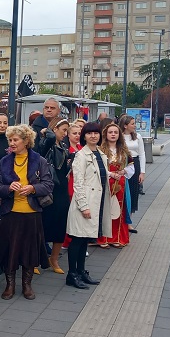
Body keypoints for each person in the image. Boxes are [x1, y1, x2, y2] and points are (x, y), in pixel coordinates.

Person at [0, 124, 53, 300]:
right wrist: (8, 188)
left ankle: (27, 285)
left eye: (15, 140)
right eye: (10, 140)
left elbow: (49, 185)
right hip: (10, 213)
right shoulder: (4, 162)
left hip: (31, 213)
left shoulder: (39, 160)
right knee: (9, 250)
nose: (11, 143)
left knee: (30, 250)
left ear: (26, 141)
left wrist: (33, 188)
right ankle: (9, 285)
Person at [65, 122, 111, 290]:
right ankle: (72, 274)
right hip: (84, 203)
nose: (93, 136)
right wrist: (83, 206)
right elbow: (78, 183)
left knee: (85, 239)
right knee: (77, 239)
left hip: (96, 202)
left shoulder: (99, 153)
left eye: (96, 133)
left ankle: (81, 271)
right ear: (84, 136)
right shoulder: (80, 155)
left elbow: (100, 175)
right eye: (89, 133)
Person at [39, 118, 71, 273]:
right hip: (50, 187)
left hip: (62, 188)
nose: (65, 134)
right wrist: (48, 131)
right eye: (63, 130)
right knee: (43, 224)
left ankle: (54, 258)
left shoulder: (64, 146)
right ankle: (37, 259)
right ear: (54, 129)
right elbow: (49, 140)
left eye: (67, 130)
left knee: (60, 224)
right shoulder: (47, 143)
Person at [96, 122, 131, 248]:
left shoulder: (124, 151)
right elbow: (97, 167)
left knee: (119, 210)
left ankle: (117, 237)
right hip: (106, 181)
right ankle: (103, 238)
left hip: (120, 183)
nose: (113, 134)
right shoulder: (100, 150)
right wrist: (110, 173)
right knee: (105, 209)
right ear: (106, 134)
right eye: (110, 132)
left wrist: (123, 171)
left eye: (115, 132)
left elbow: (131, 166)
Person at [119, 115, 144, 219]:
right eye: (132, 123)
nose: (135, 126)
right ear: (125, 125)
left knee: (134, 191)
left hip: (135, 162)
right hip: (123, 163)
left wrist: (142, 172)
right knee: (123, 190)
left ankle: (129, 218)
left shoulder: (138, 136)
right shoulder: (119, 137)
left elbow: (142, 153)